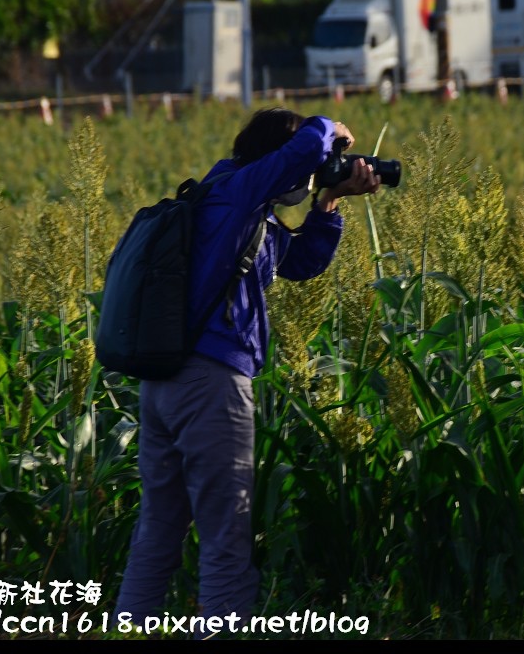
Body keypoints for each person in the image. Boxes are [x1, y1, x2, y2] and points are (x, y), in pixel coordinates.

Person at [113, 108, 380, 636]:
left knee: (160, 527)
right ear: (276, 160)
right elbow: (303, 149)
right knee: (225, 532)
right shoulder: (240, 191)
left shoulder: (234, 203)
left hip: (164, 385)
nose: (307, 180)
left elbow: (299, 263)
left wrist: (329, 199)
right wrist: (329, 129)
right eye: (309, 173)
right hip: (211, 384)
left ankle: (128, 628)